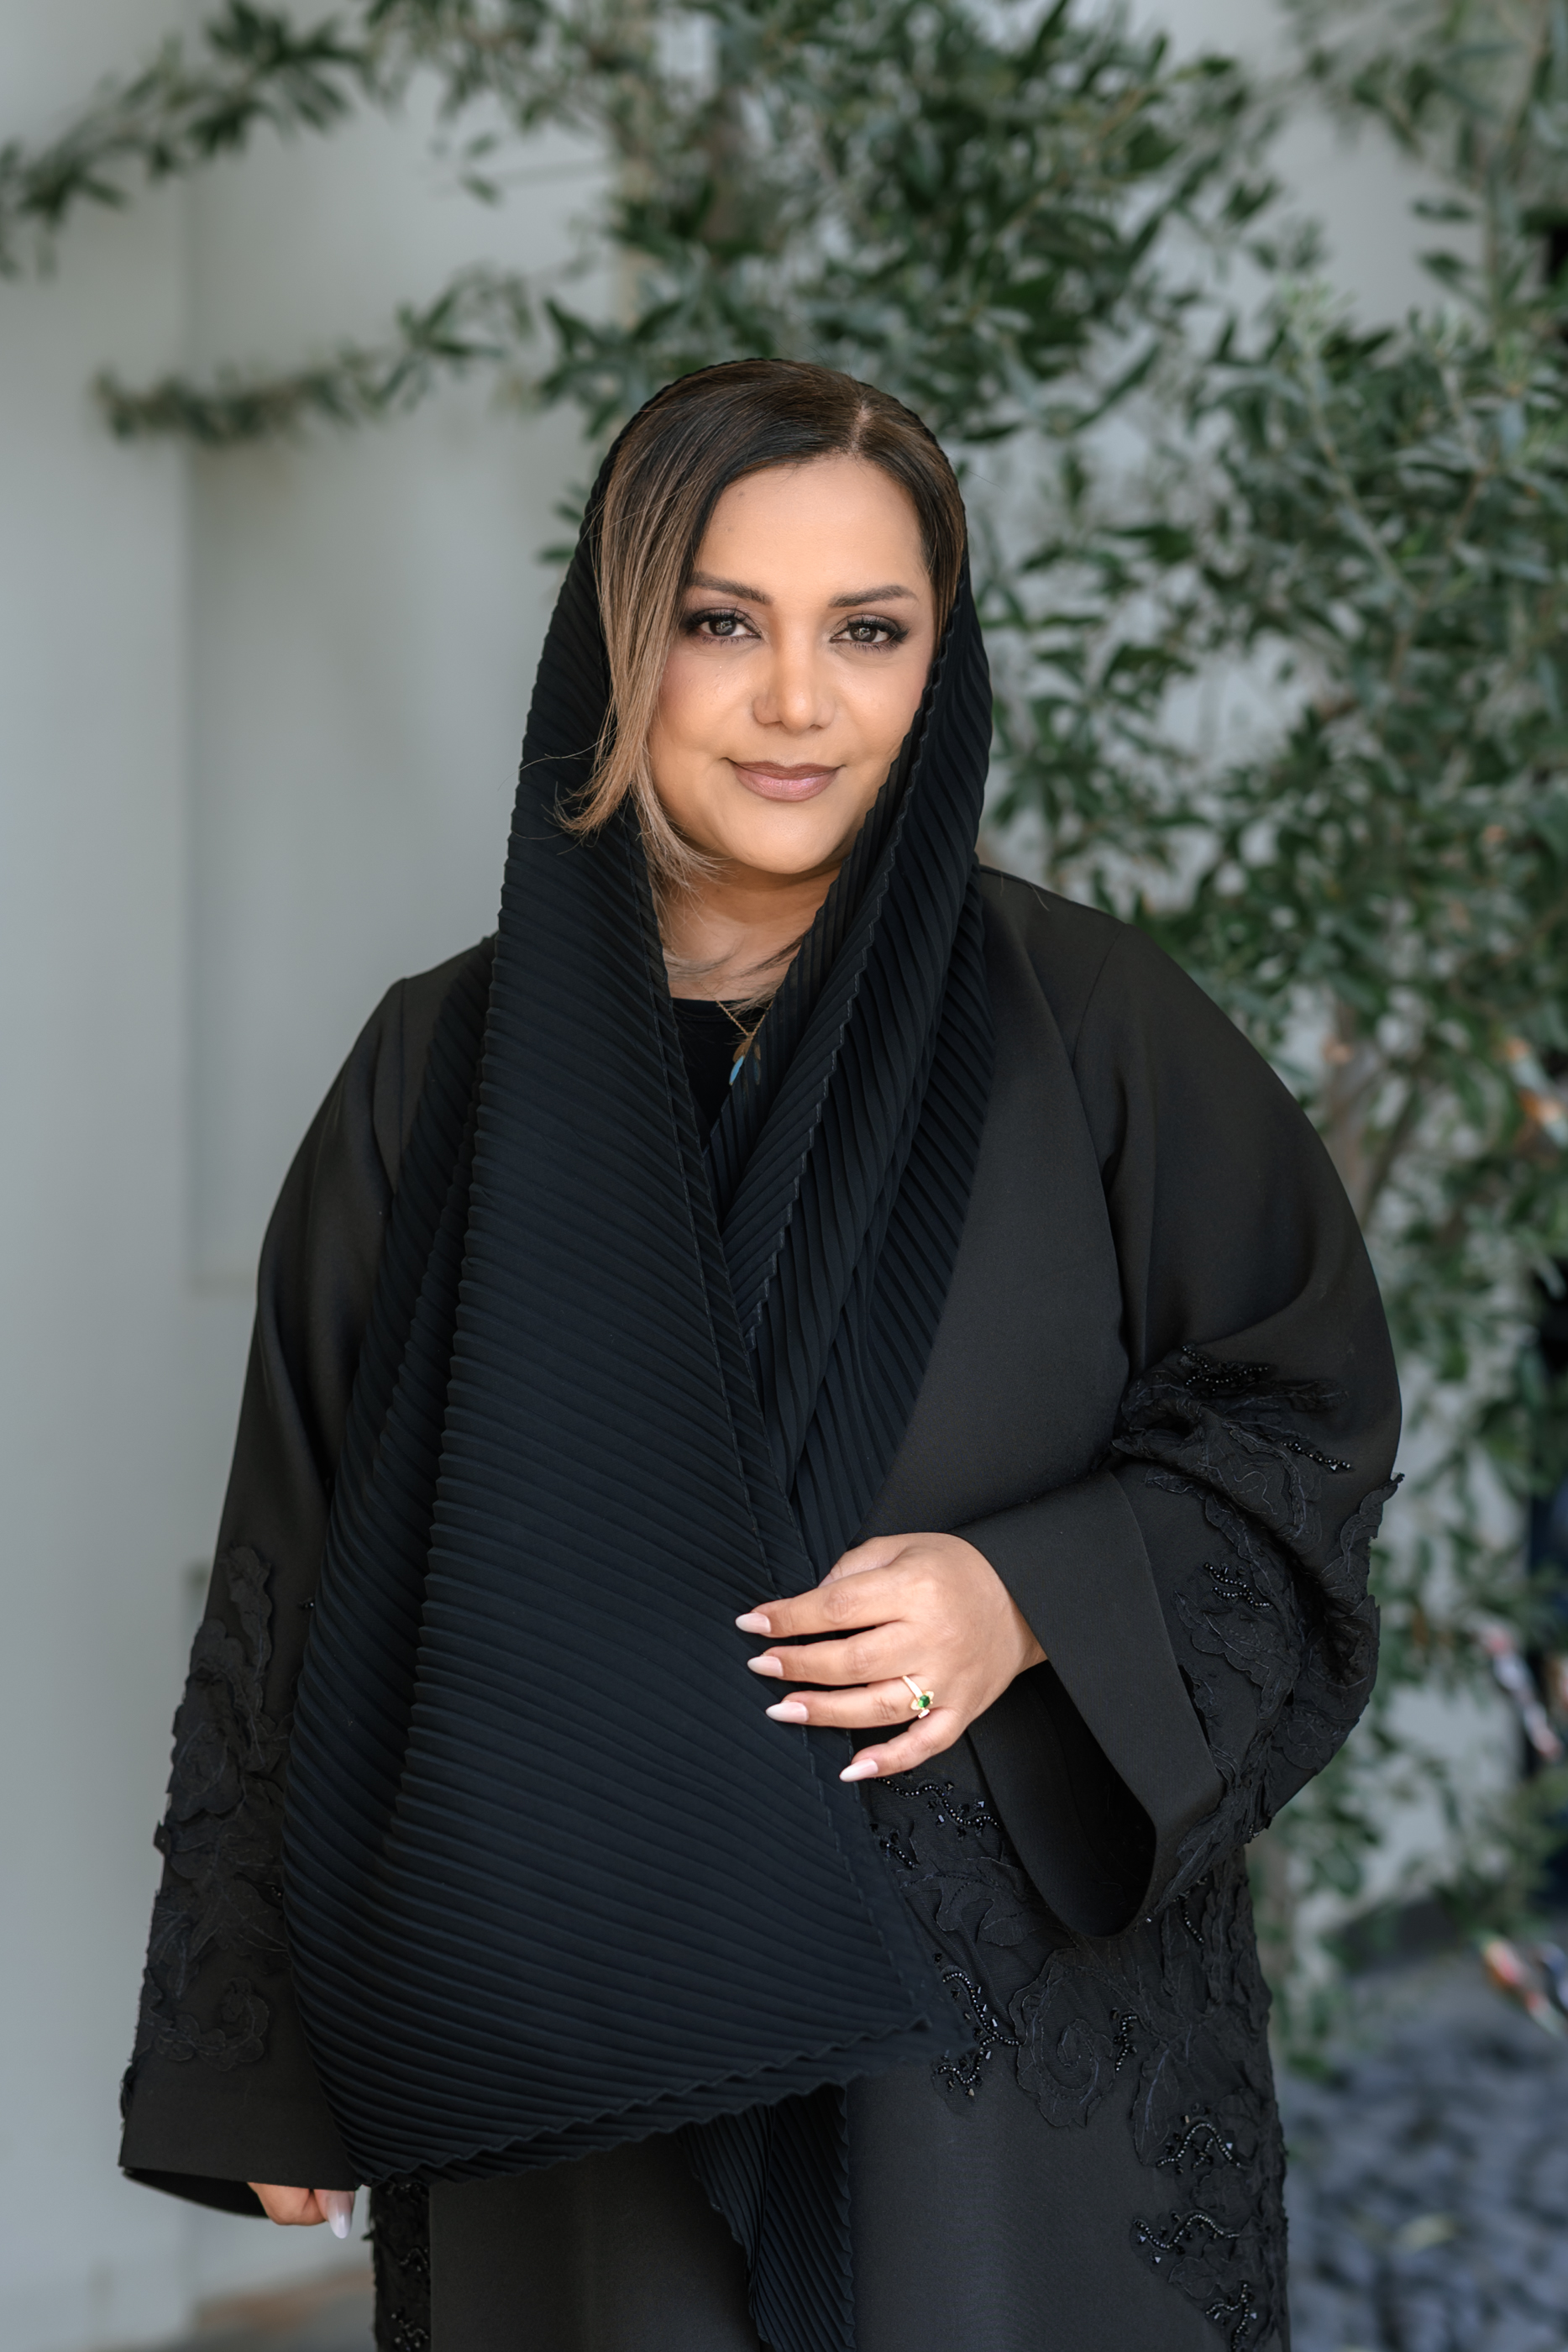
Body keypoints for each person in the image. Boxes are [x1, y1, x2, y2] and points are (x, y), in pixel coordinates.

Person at [119, 360, 1400, 2352]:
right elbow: (304, 1543)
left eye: (868, 631)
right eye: (724, 622)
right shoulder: (437, 1072)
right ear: (618, 641)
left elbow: (1298, 1424)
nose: (797, 701)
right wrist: (263, 2043)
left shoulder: (1092, 1028)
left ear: (939, 663)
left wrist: (1024, 1597)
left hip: (985, 2093)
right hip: (564, 2044)